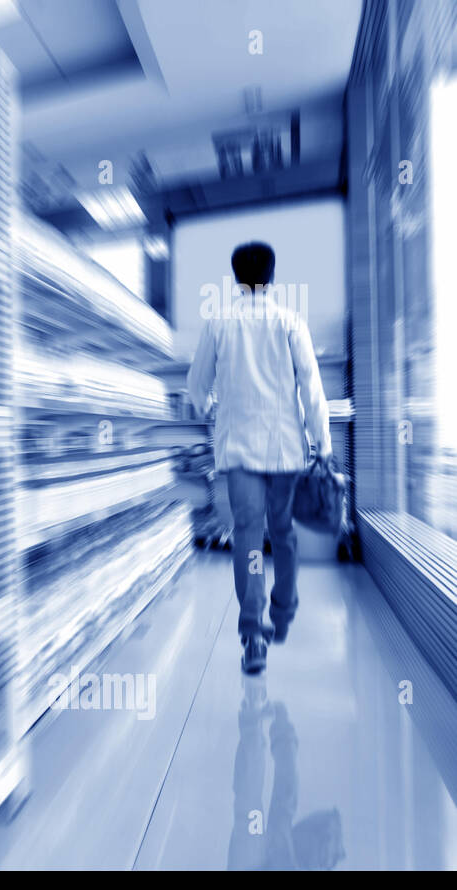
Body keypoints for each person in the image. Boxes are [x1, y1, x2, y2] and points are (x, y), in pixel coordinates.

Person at [187, 242, 332, 674]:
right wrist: (323, 444)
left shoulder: (219, 324)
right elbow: (311, 388)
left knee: (249, 535)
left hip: (239, 449)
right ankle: (283, 614)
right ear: (271, 276)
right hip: (285, 448)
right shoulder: (290, 321)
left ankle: (253, 634)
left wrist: (209, 405)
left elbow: (197, 387)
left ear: (235, 278)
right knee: (284, 532)